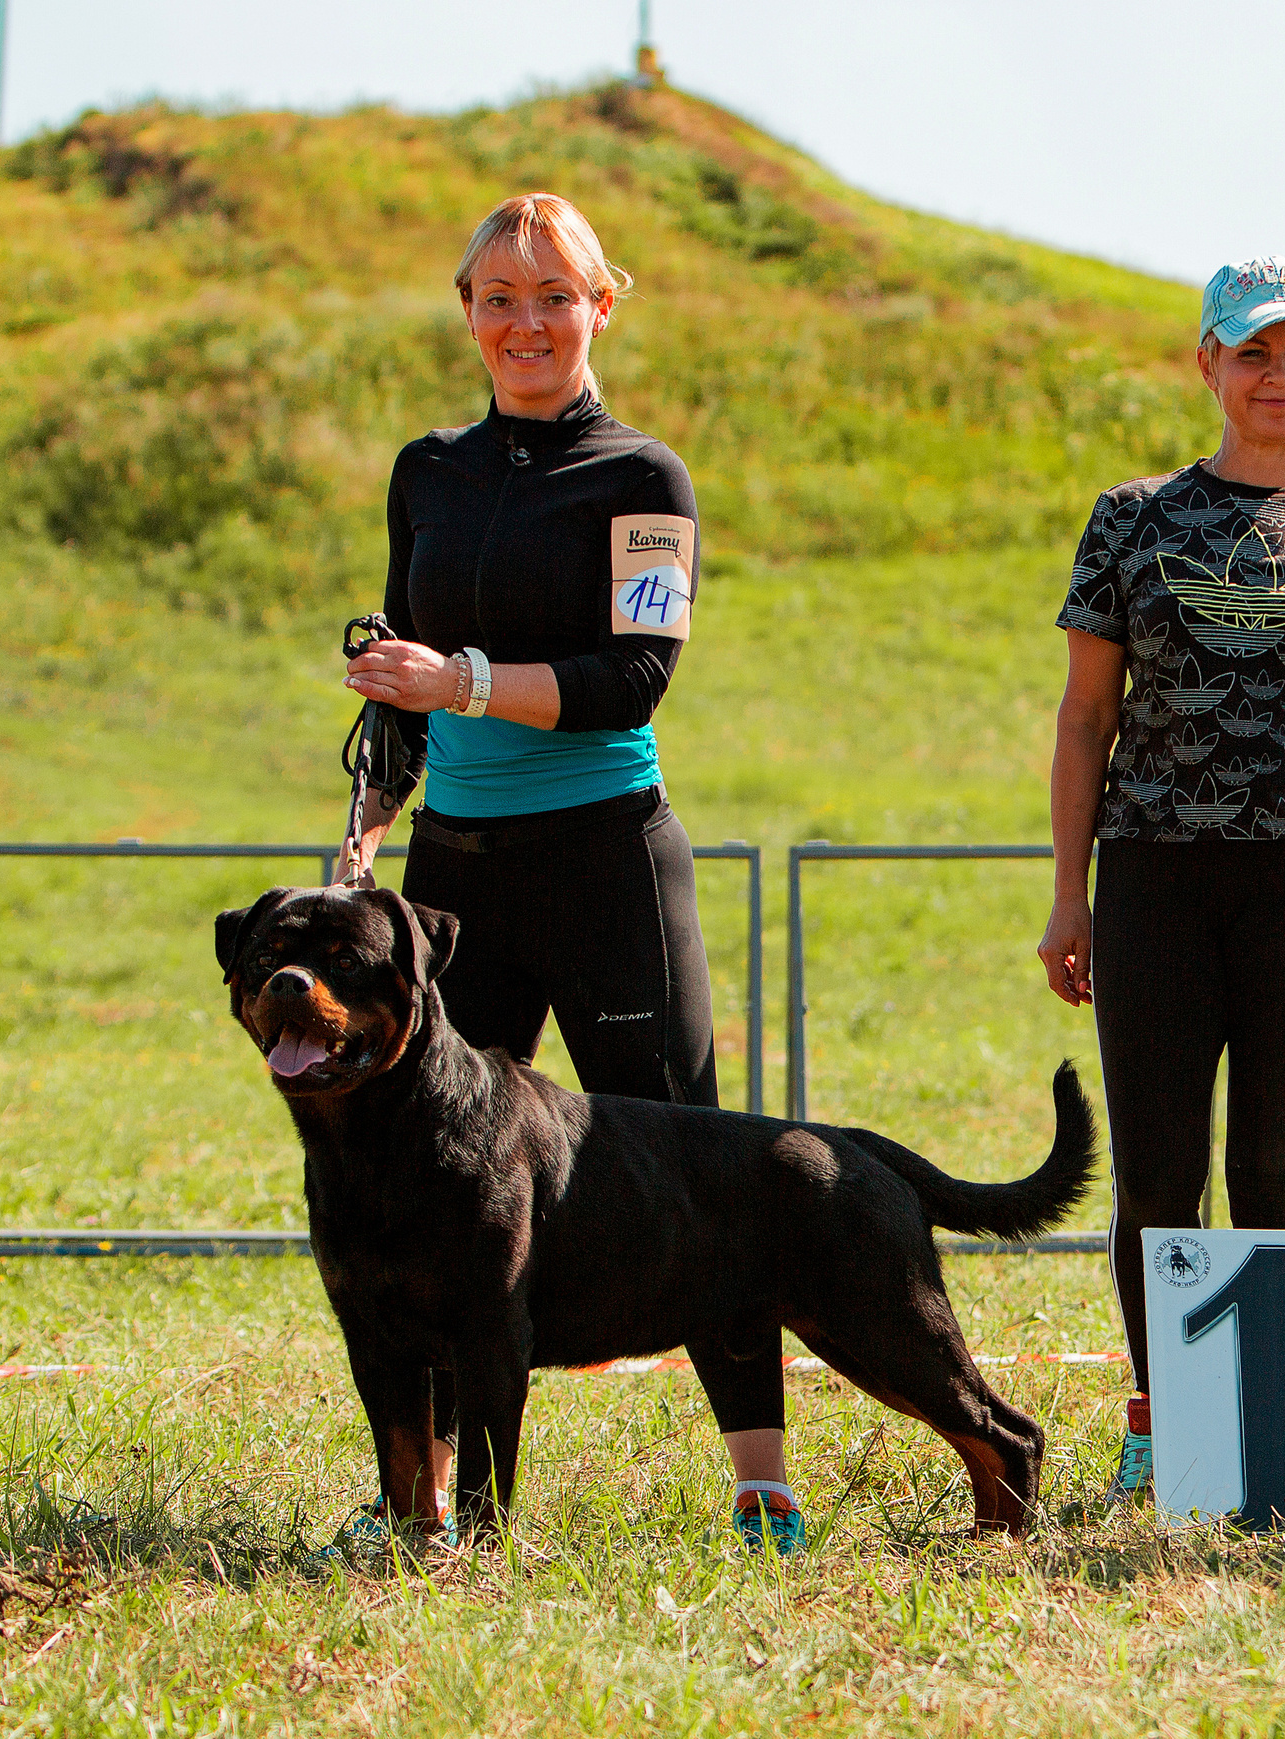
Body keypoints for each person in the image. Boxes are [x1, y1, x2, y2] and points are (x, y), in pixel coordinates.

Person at [334, 193, 799, 1554]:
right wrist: (366, 824)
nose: (525, 322)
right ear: (468, 312)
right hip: (453, 880)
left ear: (603, 306)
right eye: (499, 297)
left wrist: (464, 680)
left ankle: (764, 1486)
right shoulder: (427, 469)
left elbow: (634, 676)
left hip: (608, 863)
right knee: (430, 1177)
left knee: (698, 1172)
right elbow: (403, 679)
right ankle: (418, 1499)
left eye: (554, 296)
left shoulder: (644, 476)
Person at [1039, 256, 1285, 1503]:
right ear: (1207, 363)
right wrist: (1068, 892)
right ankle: (1163, 1427)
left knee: (1275, 1168)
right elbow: (1085, 718)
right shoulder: (1131, 519)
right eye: (1253, 352)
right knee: (1158, 1174)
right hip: (1153, 872)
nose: (1279, 375)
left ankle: (1276, 1440)